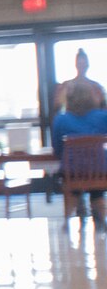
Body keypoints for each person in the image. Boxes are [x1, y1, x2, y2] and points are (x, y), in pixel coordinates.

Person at [51, 82, 107, 220]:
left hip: (72, 174)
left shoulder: (61, 119)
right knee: (96, 180)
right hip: (99, 172)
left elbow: (57, 149)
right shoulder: (103, 117)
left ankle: (68, 220)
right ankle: (100, 216)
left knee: (68, 177)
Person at [53, 47, 105, 114]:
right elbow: (56, 107)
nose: (82, 66)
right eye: (80, 63)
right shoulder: (65, 85)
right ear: (76, 65)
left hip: (92, 122)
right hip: (71, 122)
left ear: (87, 65)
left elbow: (103, 108)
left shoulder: (96, 86)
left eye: (83, 64)